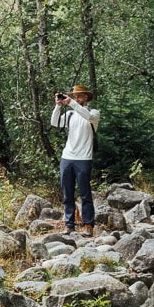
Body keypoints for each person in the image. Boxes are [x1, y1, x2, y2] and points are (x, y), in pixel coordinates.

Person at [51, 85, 100, 236]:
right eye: (75, 96)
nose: (77, 99)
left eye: (79, 96)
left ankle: (88, 225)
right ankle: (69, 224)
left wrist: (71, 102)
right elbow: (55, 122)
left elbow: (87, 116)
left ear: (86, 97)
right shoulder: (71, 114)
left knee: (85, 193)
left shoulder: (94, 113)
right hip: (67, 157)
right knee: (67, 193)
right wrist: (58, 106)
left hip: (84, 158)